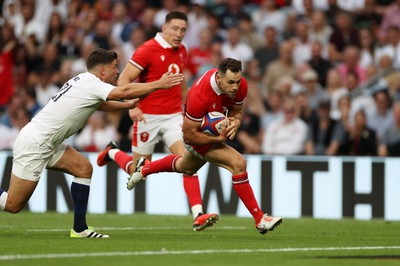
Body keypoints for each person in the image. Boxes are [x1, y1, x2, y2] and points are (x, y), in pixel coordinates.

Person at [0, 48, 183, 238]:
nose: (118, 71)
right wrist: (160, 84)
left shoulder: (83, 81)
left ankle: (79, 229)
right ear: (103, 70)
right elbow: (126, 90)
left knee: (83, 168)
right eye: (114, 67)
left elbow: (99, 103)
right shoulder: (92, 84)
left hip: (47, 141)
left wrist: (125, 106)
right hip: (36, 143)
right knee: (12, 205)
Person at [125, 58, 282, 234]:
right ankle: (260, 219)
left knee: (185, 166)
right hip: (196, 137)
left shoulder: (240, 85)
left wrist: (236, 122)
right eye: (230, 82)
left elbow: (237, 111)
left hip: (211, 135)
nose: (235, 87)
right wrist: (217, 139)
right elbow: (190, 136)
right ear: (218, 78)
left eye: (237, 81)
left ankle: (144, 169)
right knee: (238, 163)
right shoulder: (199, 95)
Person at [96, 11, 217, 232]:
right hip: (147, 118)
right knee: (138, 173)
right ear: (164, 28)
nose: (179, 34)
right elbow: (123, 80)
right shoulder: (147, 50)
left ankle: (198, 214)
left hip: (173, 118)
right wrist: (134, 106)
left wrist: (187, 108)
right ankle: (113, 152)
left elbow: (180, 81)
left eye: (183, 30)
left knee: (188, 161)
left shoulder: (182, 50)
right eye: (175, 29)